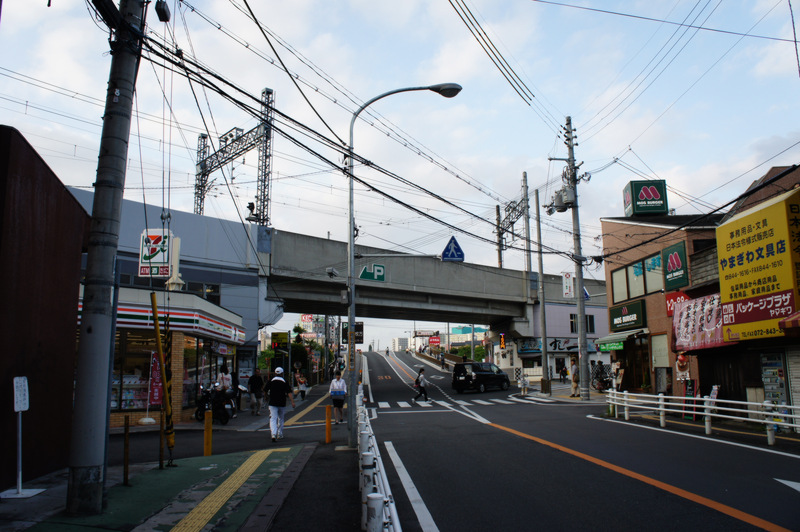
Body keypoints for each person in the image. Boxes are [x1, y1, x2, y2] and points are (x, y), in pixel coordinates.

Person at [266, 367, 295, 442]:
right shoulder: (285, 382)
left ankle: (273, 434)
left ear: (275, 373)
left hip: (272, 403)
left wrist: (266, 397)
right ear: (282, 373)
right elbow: (289, 392)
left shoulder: (271, 381)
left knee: (273, 418)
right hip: (282, 403)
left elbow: (265, 390)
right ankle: (280, 434)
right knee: (281, 418)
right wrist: (292, 402)